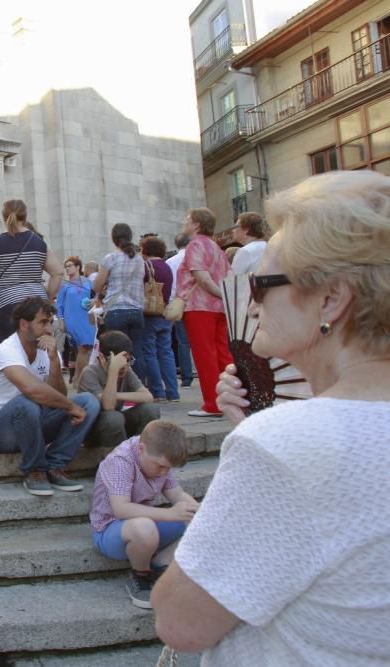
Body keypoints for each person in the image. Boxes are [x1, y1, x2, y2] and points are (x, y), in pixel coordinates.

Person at [152, 170, 390, 665]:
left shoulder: (287, 443)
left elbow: (178, 620)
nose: (249, 301)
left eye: (261, 285)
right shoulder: (294, 438)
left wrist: (264, 441)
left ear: (331, 298)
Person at [0, 297, 99, 496]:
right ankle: (35, 470)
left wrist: (54, 363)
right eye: (43, 322)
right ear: (24, 324)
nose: (49, 329)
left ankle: (54, 465)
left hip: (33, 423)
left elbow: (59, 396)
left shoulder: (48, 350)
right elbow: (31, 389)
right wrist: (70, 407)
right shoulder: (7, 350)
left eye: (51, 322)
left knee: (89, 402)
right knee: (27, 402)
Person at [90, 420, 197, 609]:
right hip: (111, 530)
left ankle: (160, 564)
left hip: (146, 524)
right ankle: (141, 575)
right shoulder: (120, 461)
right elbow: (121, 509)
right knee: (144, 527)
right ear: (141, 449)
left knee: (196, 520)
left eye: (168, 468)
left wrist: (200, 511)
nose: (164, 472)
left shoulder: (158, 457)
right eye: (161, 466)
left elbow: (177, 494)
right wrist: (171, 514)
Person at [0, 199, 62, 343]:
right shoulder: (39, 243)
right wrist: (47, 297)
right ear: (25, 216)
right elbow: (58, 272)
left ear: (4, 217)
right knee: (39, 350)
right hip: (37, 303)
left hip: (5, 305)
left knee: (10, 352)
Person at [177, 208, 233, 417]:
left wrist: (219, 294)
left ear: (196, 224)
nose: (184, 222)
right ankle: (231, 400)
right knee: (223, 355)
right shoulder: (216, 247)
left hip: (200, 307)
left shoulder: (195, 245)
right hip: (219, 308)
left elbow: (202, 278)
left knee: (205, 355)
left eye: (188, 219)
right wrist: (225, 298)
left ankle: (213, 404)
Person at [78, 330, 159, 449]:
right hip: (94, 429)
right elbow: (108, 406)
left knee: (151, 409)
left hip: (117, 423)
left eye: (128, 360)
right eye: (118, 361)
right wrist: (113, 372)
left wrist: (116, 394)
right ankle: (119, 459)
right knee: (113, 417)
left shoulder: (127, 370)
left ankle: (139, 453)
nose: (124, 366)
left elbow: (147, 397)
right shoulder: (90, 373)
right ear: (101, 357)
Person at [93, 223, 147, 385]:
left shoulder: (110, 258)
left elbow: (96, 286)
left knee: (116, 353)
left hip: (117, 310)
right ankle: (138, 387)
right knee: (137, 352)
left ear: (114, 238)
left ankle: (119, 390)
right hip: (137, 310)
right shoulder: (139, 260)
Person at [139, 236, 179, 402]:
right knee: (166, 352)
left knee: (150, 352)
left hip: (149, 314)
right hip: (165, 313)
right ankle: (173, 392)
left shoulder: (146, 266)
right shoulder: (167, 267)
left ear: (145, 249)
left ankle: (158, 391)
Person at [56, 256, 95, 388]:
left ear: (78, 267)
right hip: (72, 318)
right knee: (83, 346)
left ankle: (78, 379)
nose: (67, 268)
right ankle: (80, 379)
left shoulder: (88, 282)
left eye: (70, 265)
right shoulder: (65, 284)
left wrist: (93, 302)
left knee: (84, 348)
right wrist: (60, 320)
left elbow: (97, 296)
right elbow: (59, 305)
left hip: (87, 318)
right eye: (66, 266)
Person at [165, 233, 194, 388]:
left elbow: (170, 286)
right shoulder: (195, 258)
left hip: (178, 302)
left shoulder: (170, 262)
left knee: (183, 342)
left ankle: (187, 377)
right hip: (196, 302)